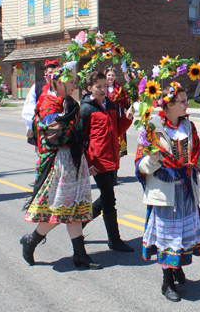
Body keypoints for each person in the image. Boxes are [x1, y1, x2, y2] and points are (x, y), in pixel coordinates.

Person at [135, 82, 200, 302]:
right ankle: (167, 283)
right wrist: (153, 160)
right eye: (182, 102)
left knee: (182, 235)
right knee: (168, 237)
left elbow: (196, 160)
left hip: (185, 190)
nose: (187, 105)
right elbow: (140, 166)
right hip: (165, 191)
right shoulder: (152, 127)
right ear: (168, 105)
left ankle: (177, 268)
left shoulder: (189, 127)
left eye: (186, 101)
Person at [20, 67, 102, 270]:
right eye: (72, 82)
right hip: (59, 161)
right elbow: (53, 136)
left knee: (73, 208)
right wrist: (64, 118)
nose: (75, 85)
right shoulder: (48, 104)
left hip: (74, 159)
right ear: (59, 83)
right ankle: (31, 241)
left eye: (75, 82)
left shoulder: (71, 102)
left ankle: (80, 255)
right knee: (60, 209)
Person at [80, 71, 134, 252]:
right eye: (99, 86)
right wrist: (89, 163)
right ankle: (114, 239)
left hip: (112, 159)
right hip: (98, 161)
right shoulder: (86, 108)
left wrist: (127, 119)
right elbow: (81, 139)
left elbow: (116, 131)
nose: (104, 89)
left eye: (105, 86)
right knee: (109, 199)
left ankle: (79, 225)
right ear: (90, 89)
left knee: (106, 197)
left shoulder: (110, 105)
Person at [22, 59, 59, 146]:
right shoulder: (37, 87)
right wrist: (29, 127)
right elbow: (29, 107)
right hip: (40, 127)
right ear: (45, 73)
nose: (52, 75)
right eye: (50, 72)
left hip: (57, 127)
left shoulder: (60, 87)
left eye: (55, 73)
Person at [105, 67, 130, 184]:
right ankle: (108, 172)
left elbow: (125, 101)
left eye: (112, 75)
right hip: (105, 119)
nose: (110, 77)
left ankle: (115, 173)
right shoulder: (102, 87)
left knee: (117, 147)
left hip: (117, 119)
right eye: (109, 75)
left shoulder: (120, 89)